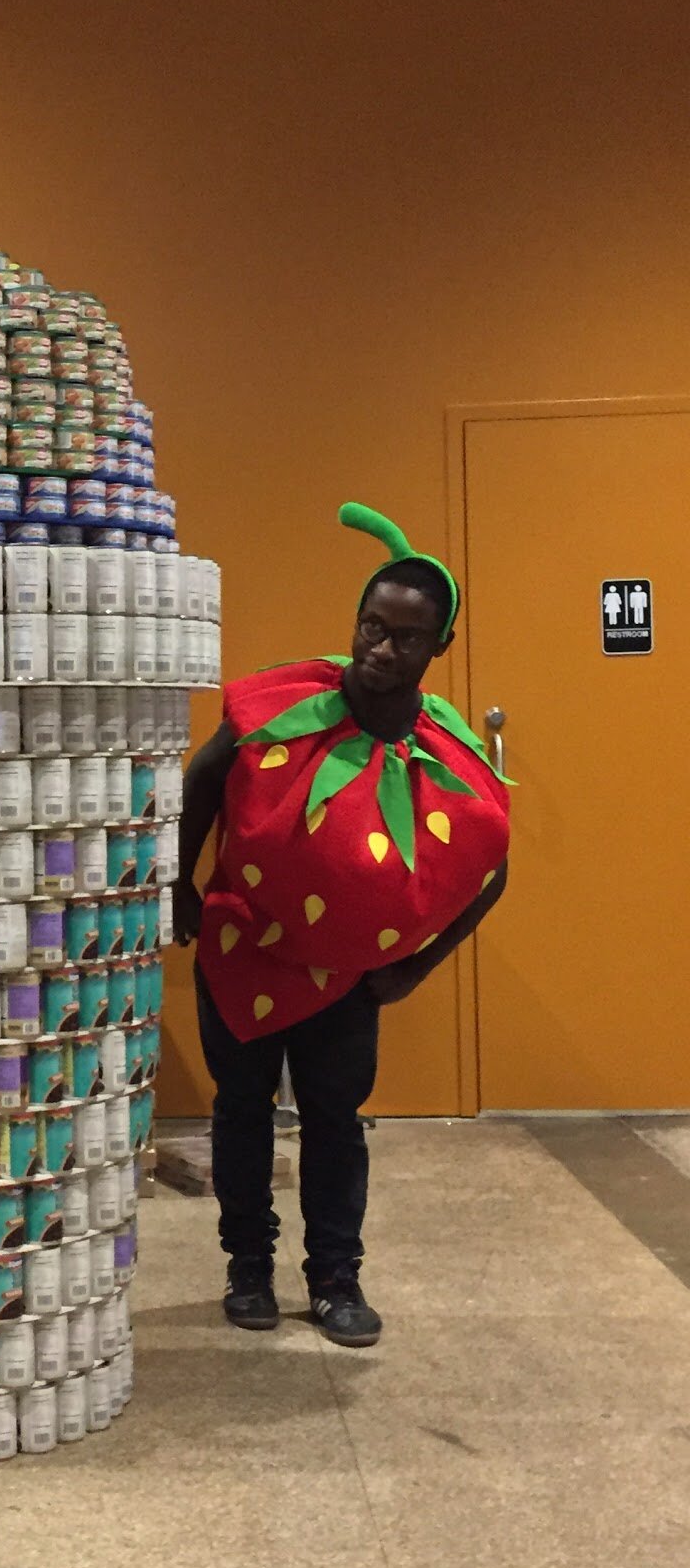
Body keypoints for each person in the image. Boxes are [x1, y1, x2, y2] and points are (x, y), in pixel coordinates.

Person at [174, 502, 511, 1347]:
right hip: (242, 946)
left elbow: (492, 862)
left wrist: (420, 966)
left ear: (438, 647)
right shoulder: (286, 704)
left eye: (406, 636)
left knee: (333, 1119)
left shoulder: (447, 751)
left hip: (348, 976)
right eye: (371, 625)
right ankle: (247, 1266)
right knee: (241, 1110)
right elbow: (203, 779)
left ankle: (335, 1279)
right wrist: (178, 884)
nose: (380, 648)